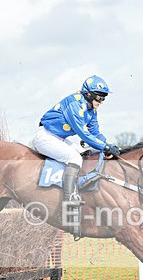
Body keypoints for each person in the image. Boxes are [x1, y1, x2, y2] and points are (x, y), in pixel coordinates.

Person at [33, 75, 121, 219]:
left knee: (82, 154)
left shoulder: (91, 110)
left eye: (104, 98)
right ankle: (69, 198)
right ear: (88, 94)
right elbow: (84, 134)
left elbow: (95, 133)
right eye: (99, 98)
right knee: (74, 158)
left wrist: (108, 145)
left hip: (58, 138)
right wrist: (104, 147)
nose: (101, 102)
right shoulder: (75, 104)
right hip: (45, 137)